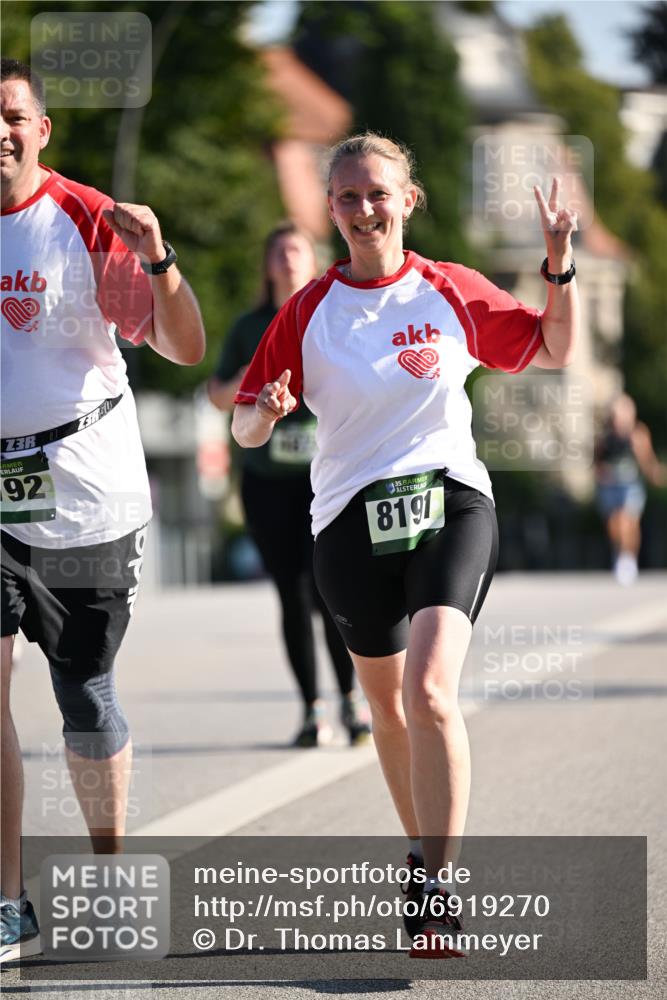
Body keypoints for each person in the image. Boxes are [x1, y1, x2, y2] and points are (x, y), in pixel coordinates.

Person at [231, 133, 579, 957]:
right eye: (346, 197)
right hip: (348, 521)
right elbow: (243, 425)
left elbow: (555, 347)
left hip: (450, 501)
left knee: (427, 692)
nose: (362, 210)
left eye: (377, 193)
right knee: (385, 710)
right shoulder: (306, 311)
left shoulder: (448, 290)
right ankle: (419, 851)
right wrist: (267, 411)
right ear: (331, 207)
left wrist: (557, 266)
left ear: (407, 200)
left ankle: (435, 892)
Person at [0, 59, 205, 962]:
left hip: (84, 485)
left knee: (82, 691)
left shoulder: (83, 221)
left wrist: (157, 259)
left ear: (42, 128)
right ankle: (8, 900)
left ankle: (110, 871)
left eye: (11, 116)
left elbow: (183, 344)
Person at [208, 221, 370, 747]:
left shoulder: (332, 314)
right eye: (277, 251)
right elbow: (216, 394)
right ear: (268, 264)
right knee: (292, 595)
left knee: (333, 592)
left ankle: (352, 701)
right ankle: (312, 711)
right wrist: (256, 376)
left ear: (312, 257)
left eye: (295, 249)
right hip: (267, 482)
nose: (286, 258)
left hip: (328, 480)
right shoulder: (249, 326)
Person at [594, 393, 666, 585]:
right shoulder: (605, 436)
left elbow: (647, 460)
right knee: (614, 523)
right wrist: (602, 473)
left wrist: (654, 473)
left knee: (628, 521)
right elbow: (597, 463)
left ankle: (628, 559)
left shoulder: (638, 434)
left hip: (631, 485)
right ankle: (620, 552)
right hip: (610, 485)